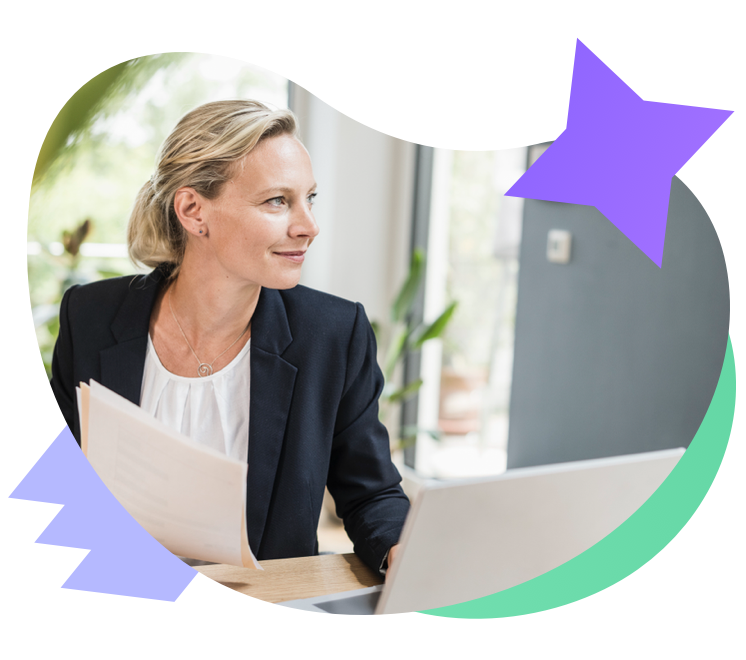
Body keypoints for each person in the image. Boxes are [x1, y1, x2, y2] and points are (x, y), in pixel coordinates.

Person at [49, 99, 409, 576]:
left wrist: (403, 553)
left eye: (310, 198)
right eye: (278, 201)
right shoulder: (90, 315)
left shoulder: (332, 335)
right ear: (194, 211)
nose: (308, 226)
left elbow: (372, 494)